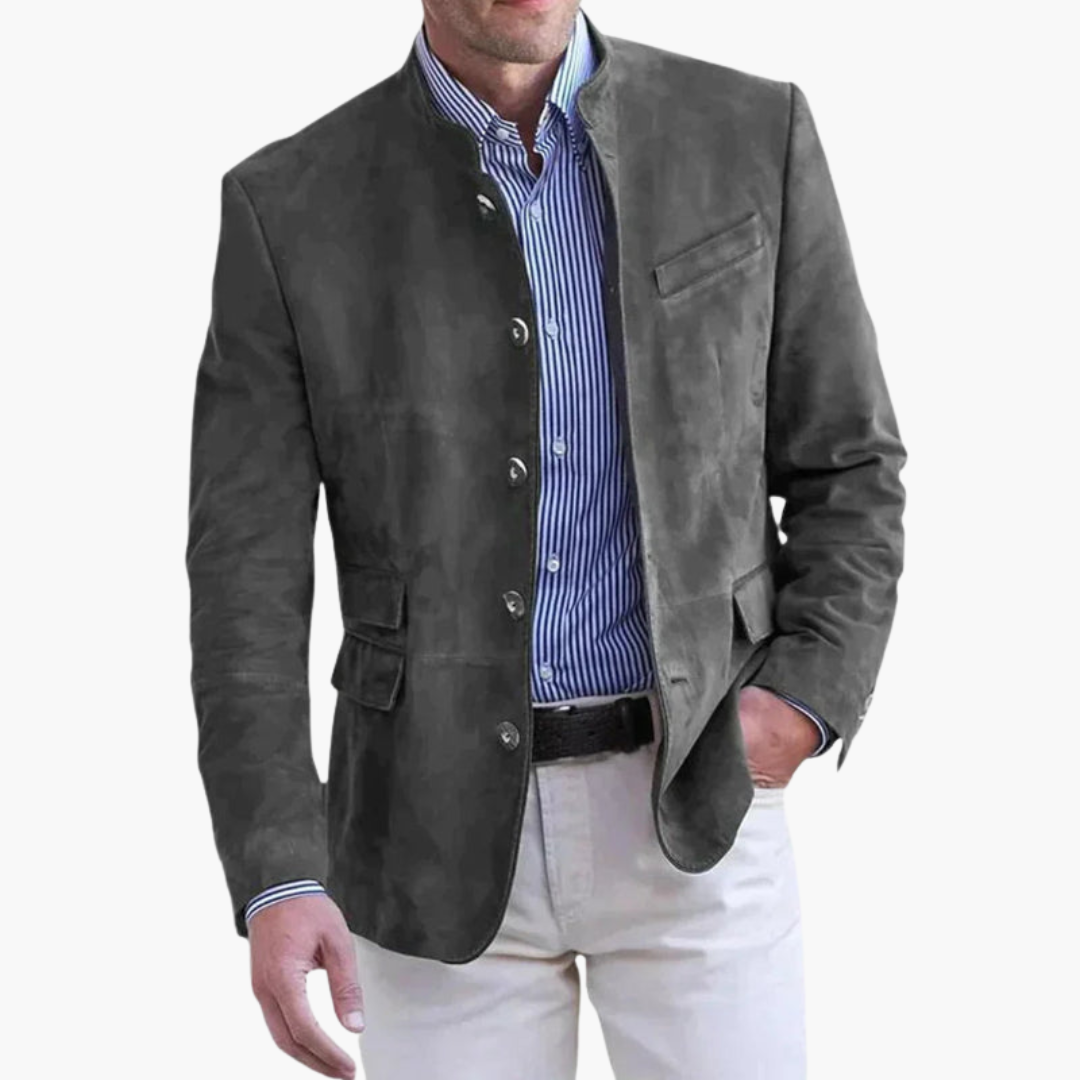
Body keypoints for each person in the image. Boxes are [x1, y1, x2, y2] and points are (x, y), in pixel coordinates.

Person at [186, 2, 906, 1077]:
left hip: (699, 801)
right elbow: (244, 572)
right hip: (422, 838)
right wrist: (279, 869)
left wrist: (802, 699)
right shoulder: (290, 204)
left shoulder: (751, 132)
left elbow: (849, 463)